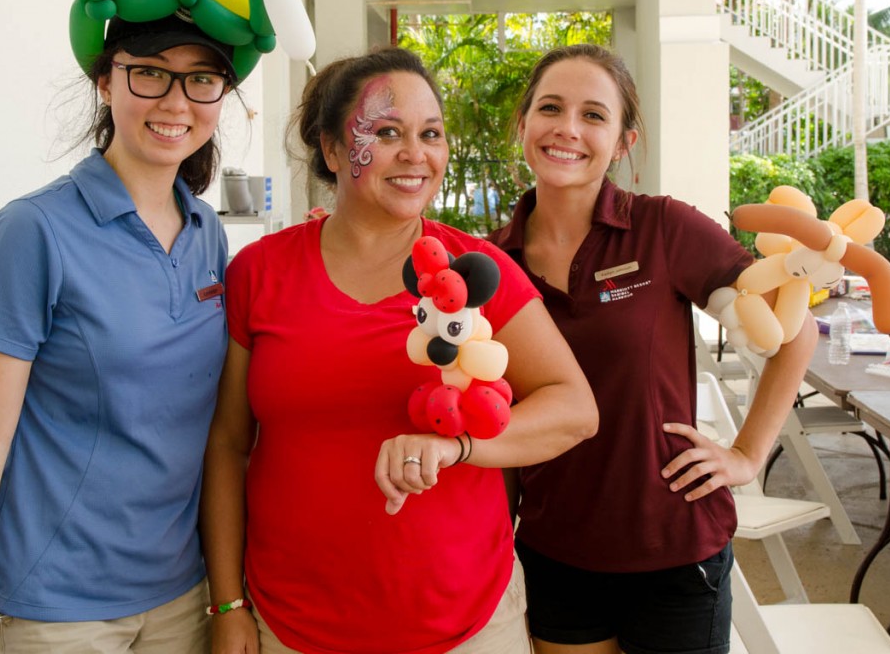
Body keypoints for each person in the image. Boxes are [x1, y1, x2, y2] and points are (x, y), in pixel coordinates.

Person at [0, 0, 316, 652]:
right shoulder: (32, 234)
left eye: (202, 81)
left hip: (178, 594)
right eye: (149, 74)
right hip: (52, 606)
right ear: (106, 82)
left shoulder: (205, 236)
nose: (175, 103)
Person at [202, 47, 599, 654]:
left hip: (465, 627)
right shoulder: (261, 271)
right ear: (332, 150)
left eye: (431, 134)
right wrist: (228, 602)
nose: (417, 154)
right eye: (386, 132)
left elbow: (574, 408)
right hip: (290, 626)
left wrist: (458, 444)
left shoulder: (479, 271)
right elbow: (229, 445)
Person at [487, 44, 817, 654]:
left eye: (593, 115)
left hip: (673, 545)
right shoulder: (491, 263)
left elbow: (793, 330)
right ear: (524, 123)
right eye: (551, 108)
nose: (567, 129)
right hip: (555, 546)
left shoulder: (664, 229)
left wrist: (746, 453)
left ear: (622, 142)